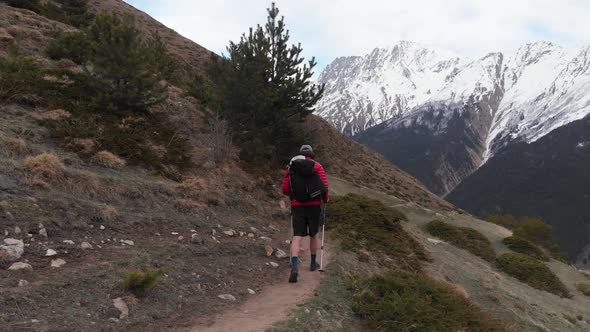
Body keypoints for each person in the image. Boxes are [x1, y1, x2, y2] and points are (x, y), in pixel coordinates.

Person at [282, 145, 329, 283]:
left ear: (300, 154)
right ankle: (313, 263)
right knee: (314, 234)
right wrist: (324, 200)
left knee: (296, 236)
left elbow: (285, 189)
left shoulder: (291, 167)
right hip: (314, 205)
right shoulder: (318, 166)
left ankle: (295, 265)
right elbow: (324, 187)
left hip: (297, 206)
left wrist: (294, 195)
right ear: (312, 154)